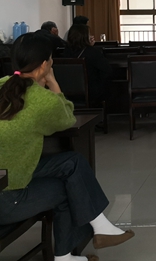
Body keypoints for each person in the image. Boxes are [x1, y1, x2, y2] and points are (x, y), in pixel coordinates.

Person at [0, 33, 134, 261]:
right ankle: (68, 254)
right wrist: (53, 83)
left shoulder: (3, 85)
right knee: (69, 188)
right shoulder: (42, 101)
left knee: (73, 162)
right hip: (7, 197)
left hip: (10, 174)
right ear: (45, 64)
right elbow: (67, 118)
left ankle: (99, 227)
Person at [63, 25, 112, 106]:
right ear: (85, 36)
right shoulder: (93, 52)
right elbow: (107, 71)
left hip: (67, 94)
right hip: (90, 94)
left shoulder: (65, 52)